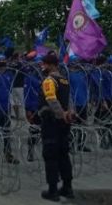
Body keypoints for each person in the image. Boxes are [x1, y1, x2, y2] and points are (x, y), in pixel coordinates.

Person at [39, 53, 74, 202]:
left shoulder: (49, 80)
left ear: (50, 65)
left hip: (52, 123)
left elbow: (51, 99)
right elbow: (70, 99)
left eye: (44, 64)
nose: (42, 67)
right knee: (63, 155)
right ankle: (67, 187)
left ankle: (53, 190)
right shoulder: (64, 80)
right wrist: (70, 113)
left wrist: (61, 114)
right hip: (65, 123)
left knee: (51, 155)